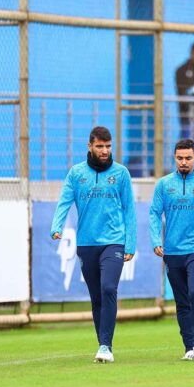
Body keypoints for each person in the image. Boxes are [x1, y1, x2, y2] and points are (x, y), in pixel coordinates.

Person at [50, 126, 137, 363]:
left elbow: (129, 209)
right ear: (90, 146)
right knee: (97, 297)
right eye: (100, 146)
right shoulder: (76, 173)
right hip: (87, 244)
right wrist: (56, 226)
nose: (105, 151)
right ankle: (103, 344)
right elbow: (64, 202)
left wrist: (130, 244)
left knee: (109, 288)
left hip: (114, 242)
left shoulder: (121, 174)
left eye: (108, 146)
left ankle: (105, 346)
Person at [149, 139, 194, 361]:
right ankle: (188, 346)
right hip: (172, 252)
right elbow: (154, 213)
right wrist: (155, 240)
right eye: (180, 158)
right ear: (174, 158)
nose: (184, 162)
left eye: (188, 158)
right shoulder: (164, 185)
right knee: (181, 301)